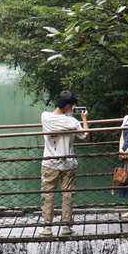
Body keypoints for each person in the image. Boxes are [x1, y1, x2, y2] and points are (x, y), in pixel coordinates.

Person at [39, 90, 89, 237]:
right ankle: (66, 226)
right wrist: (84, 119)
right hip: (68, 163)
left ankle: (47, 227)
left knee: (48, 195)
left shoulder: (45, 117)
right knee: (67, 194)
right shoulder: (72, 122)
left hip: (49, 162)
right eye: (72, 105)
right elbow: (85, 135)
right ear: (68, 106)